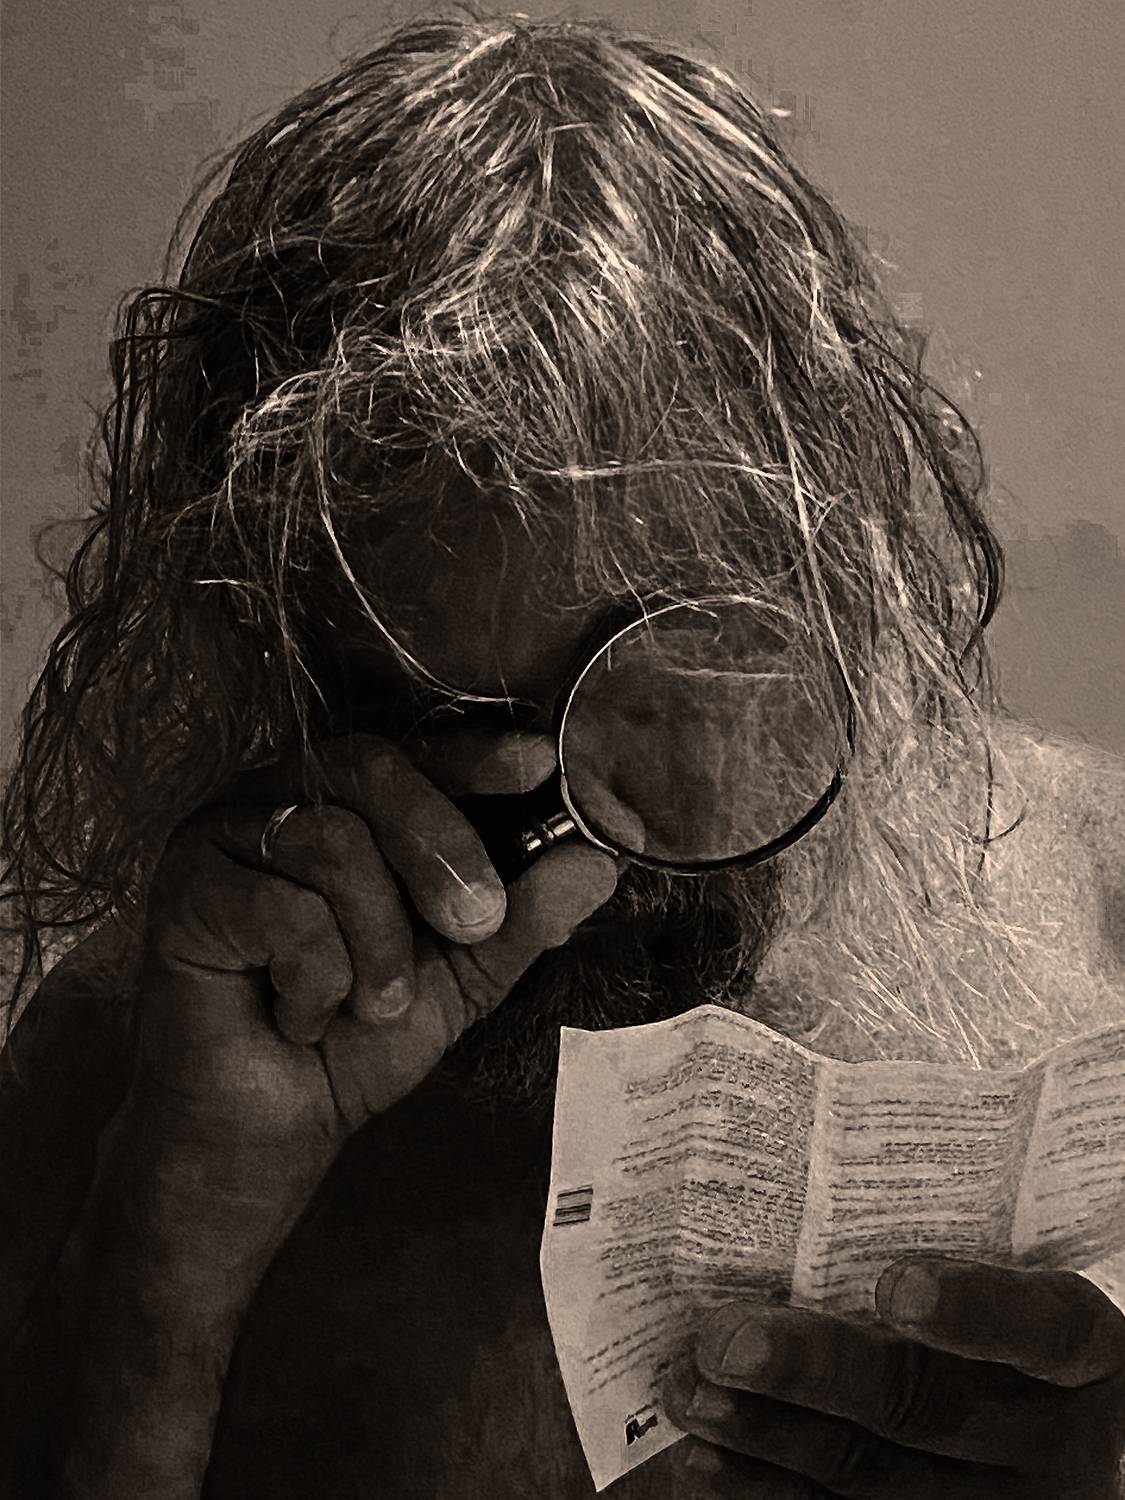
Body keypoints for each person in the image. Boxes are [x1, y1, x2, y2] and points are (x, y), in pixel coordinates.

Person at [2, 8, 1123, 1497]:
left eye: (659, 685)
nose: (586, 852)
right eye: (442, 730)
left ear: (835, 575)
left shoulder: (1099, 910)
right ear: (272, 673)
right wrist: (172, 1258)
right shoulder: (156, 1057)